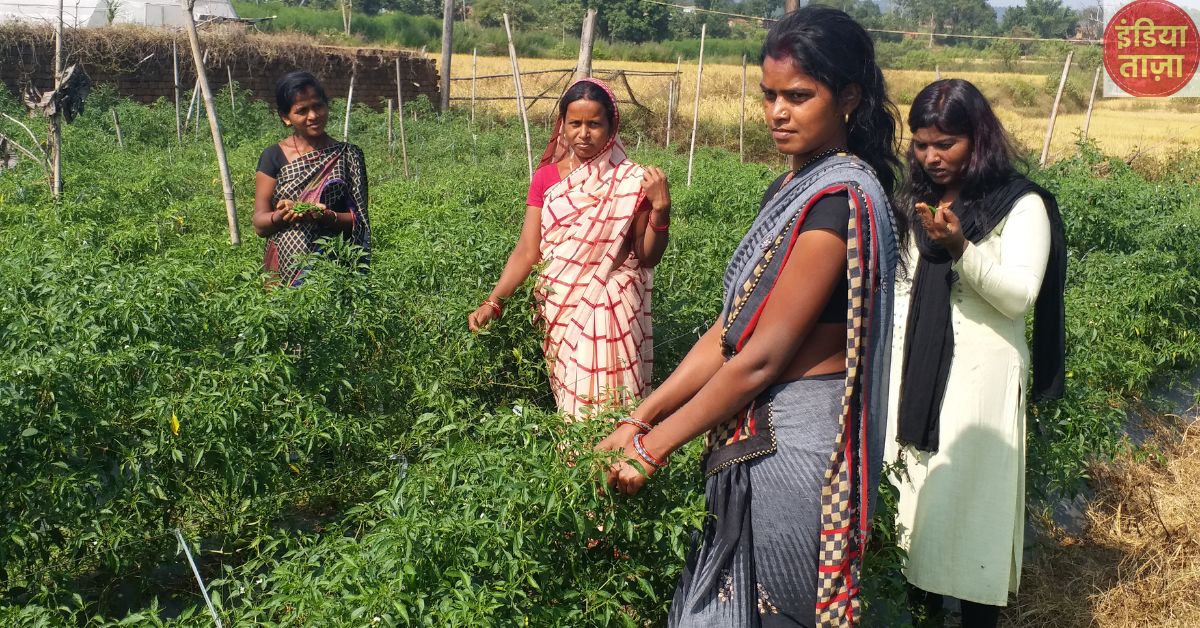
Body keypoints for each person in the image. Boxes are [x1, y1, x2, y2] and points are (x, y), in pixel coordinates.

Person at [597, 7, 903, 626]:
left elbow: (762, 356)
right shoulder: (797, 189)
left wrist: (654, 448)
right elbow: (730, 332)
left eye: (798, 95)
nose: (778, 112)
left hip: (796, 446)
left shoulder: (837, 202)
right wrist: (641, 415)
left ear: (848, 97)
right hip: (760, 433)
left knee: (771, 609)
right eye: (768, 96)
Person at [884, 79, 1067, 628]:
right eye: (921, 144)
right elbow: (902, 286)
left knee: (971, 514)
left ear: (977, 139)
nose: (932, 157)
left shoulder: (1021, 203)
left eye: (947, 144)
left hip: (980, 379)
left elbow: (1017, 297)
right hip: (915, 370)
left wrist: (962, 247)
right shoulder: (914, 200)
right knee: (915, 512)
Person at [468, 78, 672, 418]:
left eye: (594, 124)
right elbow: (527, 251)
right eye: (575, 123)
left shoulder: (631, 181)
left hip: (612, 303)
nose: (584, 133)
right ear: (562, 125)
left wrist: (661, 210)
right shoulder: (546, 179)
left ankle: (613, 464)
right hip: (560, 303)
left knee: (611, 402)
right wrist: (494, 301)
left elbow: (648, 255)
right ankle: (577, 468)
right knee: (571, 401)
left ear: (611, 126)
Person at [253, 71, 370, 287]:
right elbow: (260, 224)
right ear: (285, 117)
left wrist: (324, 215)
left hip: (334, 269)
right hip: (284, 268)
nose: (313, 115)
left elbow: (359, 221)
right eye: (302, 110)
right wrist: (284, 215)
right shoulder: (273, 156)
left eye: (318, 106)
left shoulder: (348, 155)